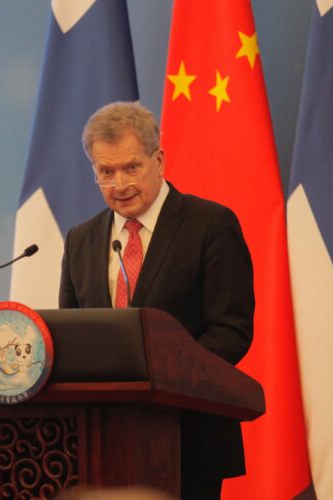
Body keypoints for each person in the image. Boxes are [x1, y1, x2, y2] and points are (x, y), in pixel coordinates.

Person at [58, 101, 255, 499]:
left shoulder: (210, 225)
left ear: (158, 160)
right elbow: (72, 332)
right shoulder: (82, 238)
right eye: (106, 172)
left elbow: (231, 331)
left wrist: (163, 380)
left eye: (131, 167)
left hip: (187, 434)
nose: (120, 184)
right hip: (99, 438)